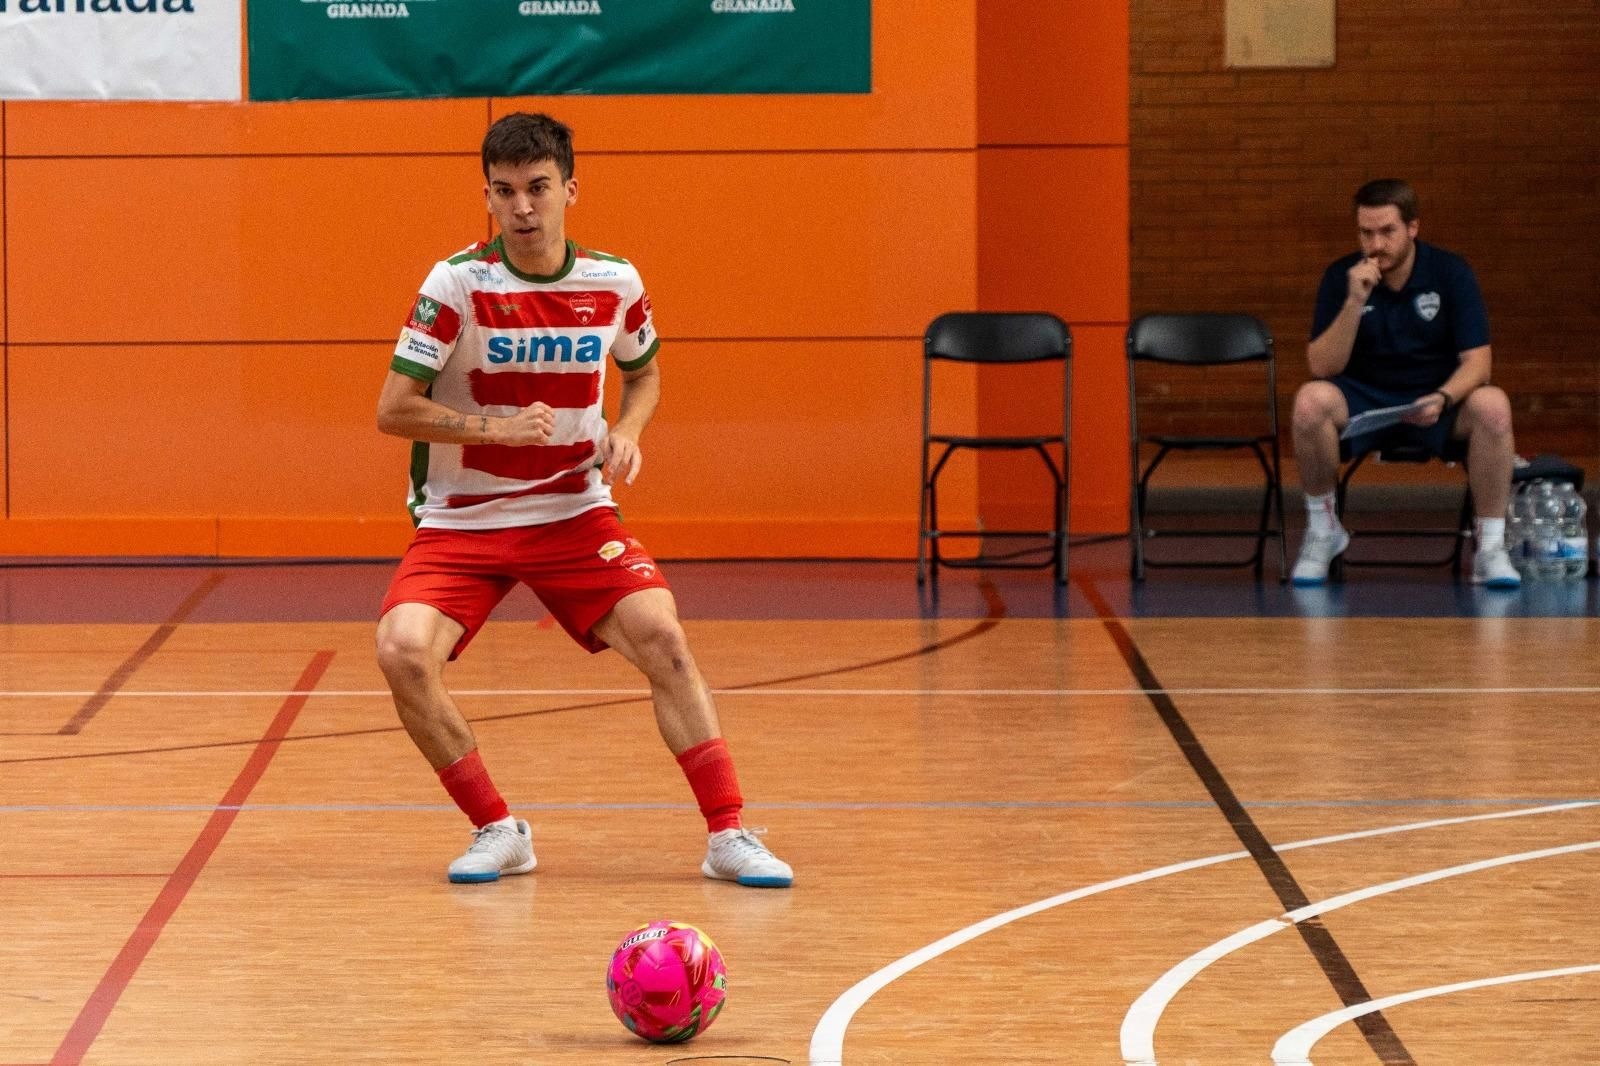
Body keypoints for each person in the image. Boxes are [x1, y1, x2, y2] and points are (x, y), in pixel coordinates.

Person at [374, 112, 793, 888]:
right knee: (401, 651)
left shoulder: (614, 282)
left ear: (570, 188)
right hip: (463, 520)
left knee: (665, 639)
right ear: (488, 197)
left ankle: (728, 833)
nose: (523, 208)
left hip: (573, 510)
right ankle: (498, 829)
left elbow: (645, 372)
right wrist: (491, 429)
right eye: (504, 193)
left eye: (538, 188)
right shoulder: (456, 284)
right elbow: (393, 408)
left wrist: (629, 430)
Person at [1289, 178, 1519, 588]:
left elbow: (1479, 363)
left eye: (1387, 231)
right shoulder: (1342, 276)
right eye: (1366, 233)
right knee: (1309, 402)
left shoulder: (1450, 272)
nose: (1376, 244)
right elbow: (1322, 367)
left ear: (1413, 228)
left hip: (1436, 398)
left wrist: (1444, 396)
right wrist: (1354, 302)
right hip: (1365, 399)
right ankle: (1324, 531)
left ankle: (1491, 547)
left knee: (1493, 405)